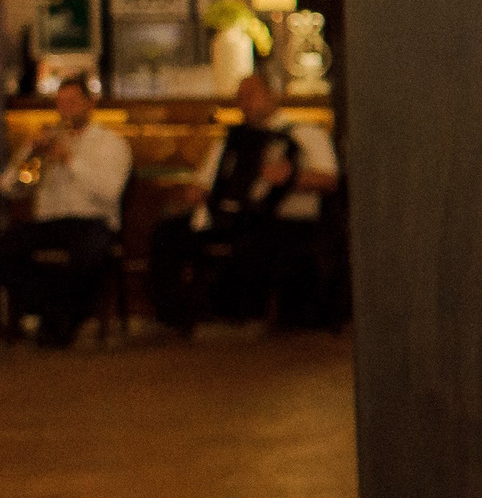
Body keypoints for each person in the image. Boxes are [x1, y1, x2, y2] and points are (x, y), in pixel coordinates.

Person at [149, 73, 342, 331]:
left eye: (252, 95)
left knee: (259, 237)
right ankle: (177, 316)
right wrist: (197, 192)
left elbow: (329, 180)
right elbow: (205, 181)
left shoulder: (304, 133)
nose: (245, 102)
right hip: (233, 217)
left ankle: (247, 311)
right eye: (240, 97)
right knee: (168, 233)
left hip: (289, 218)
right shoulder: (230, 141)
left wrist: (291, 176)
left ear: (271, 95)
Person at [1, 78, 132, 345]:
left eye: (72, 102)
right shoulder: (47, 140)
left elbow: (109, 192)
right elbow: (10, 188)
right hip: (50, 222)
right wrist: (30, 153)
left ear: (90, 104)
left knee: (88, 254)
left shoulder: (111, 144)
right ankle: (53, 312)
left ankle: (60, 319)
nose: (66, 109)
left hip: (92, 221)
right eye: (61, 103)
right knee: (6, 246)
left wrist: (70, 161)